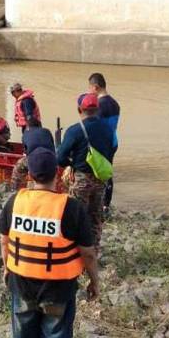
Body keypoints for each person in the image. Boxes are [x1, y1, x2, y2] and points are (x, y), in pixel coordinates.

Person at [0, 147, 100, 338]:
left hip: (22, 284)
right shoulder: (71, 208)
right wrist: (94, 281)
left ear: (29, 175)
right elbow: (88, 254)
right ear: (57, 174)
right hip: (58, 290)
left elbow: (4, 240)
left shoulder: (14, 202)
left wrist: (6, 268)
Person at [57, 93, 115, 254]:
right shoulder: (108, 130)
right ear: (98, 109)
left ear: (79, 109)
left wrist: (71, 165)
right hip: (100, 179)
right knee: (95, 217)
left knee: (75, 217)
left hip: (81, 179)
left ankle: (74, 253)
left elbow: (60, 157)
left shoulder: (75, 130)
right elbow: (112, 150)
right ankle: (93, 252)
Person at [88, 72, 120, 213]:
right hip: (112, 142)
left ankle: (97, 205)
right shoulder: (115, 103)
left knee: (95, 173)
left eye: (89, 88)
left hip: (101, 145)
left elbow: (95, 128)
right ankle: (106, 204)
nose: (89, 91)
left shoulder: (99, 106)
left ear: (95, 87)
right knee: (107, 173)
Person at [11, 118, 55, 190]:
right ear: (40, 125)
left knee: (18, 167)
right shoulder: (47, 131)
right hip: (50, 158)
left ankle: (14, 189)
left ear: (28, 127)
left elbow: (26, 152)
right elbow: (52, 146)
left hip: (35, 159)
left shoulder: (26, 134)